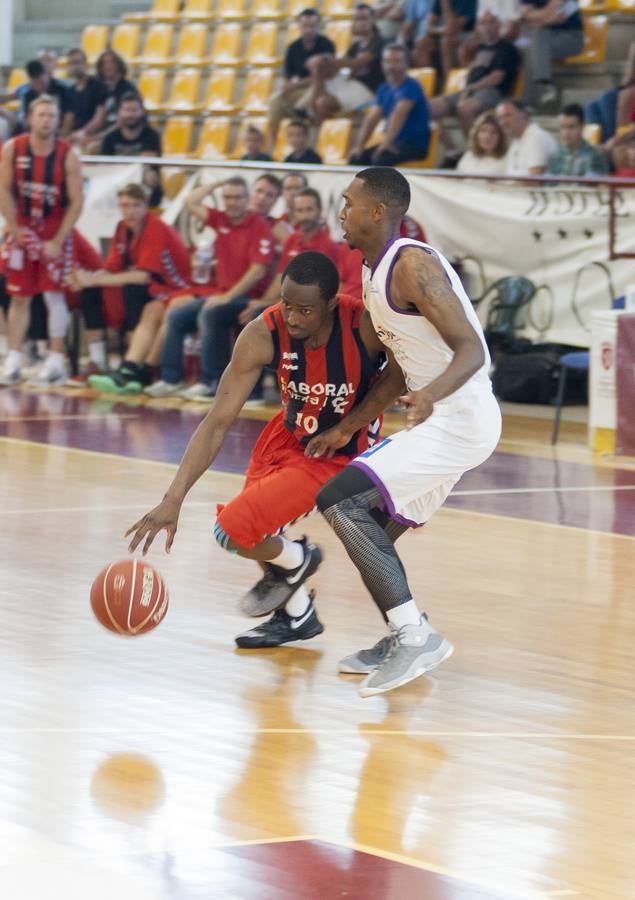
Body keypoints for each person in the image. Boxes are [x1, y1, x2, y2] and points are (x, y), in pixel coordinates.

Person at [126, 251, 406, 650]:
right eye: (287, 304)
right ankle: (297, 617)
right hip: (288, 434)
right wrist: (173, 499)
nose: (293, 317)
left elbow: (397, 376)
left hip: (340, 449)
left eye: (305, 310)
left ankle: (297, 560)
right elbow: (217, 421)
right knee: (260, 526)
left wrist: (348, 427)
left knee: (233, 531)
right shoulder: (263, 332)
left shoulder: (363, 323)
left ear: (330, 304)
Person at [306, 167, 500, 697]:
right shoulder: (372, 273)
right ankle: (402, 633)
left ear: (377, 212)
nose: (341, 212)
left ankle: (416, 636)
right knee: (372, 531)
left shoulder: (411, 264)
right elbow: (397, 368)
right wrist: (346, 425)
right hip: (443, 417)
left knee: (341, 502)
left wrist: (431, 395)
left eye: (348, 203)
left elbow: (472, 350)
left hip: (461, 417)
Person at [144, 176, 275, 400]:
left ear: (247, 199)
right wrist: (217, 182)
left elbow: (258, 271)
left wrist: (228, 297)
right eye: (227, 197)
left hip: (246, 298)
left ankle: (210, 381)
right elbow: (190, 201)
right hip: (222, 295)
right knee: (176, 315)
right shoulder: (221, 220)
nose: (232, 202)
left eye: (237, 197)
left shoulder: (259, 227)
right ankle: (171, 378)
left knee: (209, 313)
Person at [68, 183, 191, 394]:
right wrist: (87, 279)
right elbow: (112, 269)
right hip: (155, 288)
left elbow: (143, 276)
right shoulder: (123, 229)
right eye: (125, 205)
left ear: (146, 207)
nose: (130, 211)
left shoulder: (156, 228)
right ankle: (100, 362)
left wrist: (93, 279)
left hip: (176, 287)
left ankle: (135, 368)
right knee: (91, 292)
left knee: (138, 296)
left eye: (136, 205)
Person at [0, 95, 84, 386]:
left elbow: (76, 201)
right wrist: (13, 227)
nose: (47, 120)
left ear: (58, 121)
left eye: (51, 115)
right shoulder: (14, 148)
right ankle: (13, 357)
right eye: (42, 115)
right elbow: (4, 191)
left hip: (53, 229)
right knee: (19, 295)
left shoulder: (66, 154)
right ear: (30, 119)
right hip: (22, 227)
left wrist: (58, 239)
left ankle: (55, 359)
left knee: (53, 294)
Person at [238, 187, 341, 325]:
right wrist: (261, 302)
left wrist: (268, 305)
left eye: (309, 210)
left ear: (319, 211)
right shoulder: (292, 239)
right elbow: (280, 277)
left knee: (259, 316)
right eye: (300, 210)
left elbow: (312, 294)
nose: (304, 216)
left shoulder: (327, 246)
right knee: (218, 314)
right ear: (293, 213)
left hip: (309, 310)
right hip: (286, 304)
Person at [428, 12, 519, 135]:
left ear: (499, 25)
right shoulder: (480, 48)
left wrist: (471, 89)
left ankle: (474, 150)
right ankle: (451, 150)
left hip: (493, 91)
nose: (487, 26)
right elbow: (470, 71)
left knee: (465, 108)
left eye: (491, 22)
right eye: (482, 23)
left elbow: (496, 78)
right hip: (470, 90)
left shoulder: (506, 48)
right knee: (427, 107)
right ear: (478, 28)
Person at [299, 4, 385, 123]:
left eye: (364, 18)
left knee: (323, 102)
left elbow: (357, 63)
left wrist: (326, 59)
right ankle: (312, 110)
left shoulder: (380, 42)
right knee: (320, 68)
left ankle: (312, 110)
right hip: (351, 84)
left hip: (368, 89)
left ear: (373, 19)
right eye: (357, 19)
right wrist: (318, 62)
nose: (360, 23)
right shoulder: (356, 45)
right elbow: (337, 66)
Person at [349, 44, 430, 166]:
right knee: (356, 159)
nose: (391, 66)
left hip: (413, 145)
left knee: (381, 160)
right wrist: (359, 146)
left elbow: (399, 115)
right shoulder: (383, 88)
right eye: (387, 61)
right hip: (393, 143)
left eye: (396, 61)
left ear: (406, 64)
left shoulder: (412, 86)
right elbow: (372, 118)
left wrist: (386, 143)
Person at [268, 9, 336, 152]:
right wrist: (286, 88)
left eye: (312, 26)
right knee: (275, 102)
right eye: (305, 26)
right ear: (299, 26)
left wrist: (294, 85)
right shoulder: (293, 48)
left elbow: (322, 76)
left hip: (321, 87)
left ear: (318, 26)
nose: (309, 30)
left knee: (305, 106)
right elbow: (287, 77)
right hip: (299, 88)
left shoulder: (326, 45)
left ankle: (308, 150)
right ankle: (272, 148)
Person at [100, 93, 163, 207]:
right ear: (119, 112)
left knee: (150, 175)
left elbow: (148, 166)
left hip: (143, 188)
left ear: (142, 112)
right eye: (127, 110)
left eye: (134, 110)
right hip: (116, 186)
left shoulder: (151, 136)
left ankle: (143, 206)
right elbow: (105, 169)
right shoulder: (110, 138)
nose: (130, 114)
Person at [519, 0, 584, 107]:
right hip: (543, 40)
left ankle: (540, 90)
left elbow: (555, 16)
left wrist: (534, 17)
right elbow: (526, 18)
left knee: (537, 37)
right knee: (533, 44)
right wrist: (545, 17)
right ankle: (539, 92)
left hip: (572, 37)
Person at [412, 0, 477, 75]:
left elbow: (453, 27)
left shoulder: (467, 1)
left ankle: (448, 82)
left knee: (446, 41)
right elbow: (428, 27)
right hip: (443, 33)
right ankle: (426, 82)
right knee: (421, 42)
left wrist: (446, 5)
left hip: (465, 34)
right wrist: (442, 30)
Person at [496, 97, 557, 175]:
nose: (502, 122)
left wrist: (500, 187)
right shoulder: (516, 141)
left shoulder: (537, 137)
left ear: (524, 114)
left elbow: (534, 181)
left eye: (507, 116)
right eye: (500, 118)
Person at [547, 103, 608, 177]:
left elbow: (600, 185)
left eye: (571, 127)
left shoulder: (594, 156)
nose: (566, 132)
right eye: (562, 127)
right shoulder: (555, 156)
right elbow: (548, 185)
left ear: (582, 126)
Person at [64, 48, 108, 147]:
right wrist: (66, 137)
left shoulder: (99, 86)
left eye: (77, 62)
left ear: (85, 64)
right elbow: (69, 119)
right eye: (71, 63)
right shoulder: (69, 91)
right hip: (75, 135)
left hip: (95, 134)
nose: (75, 67)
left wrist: (82, 132)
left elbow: (99, 118)